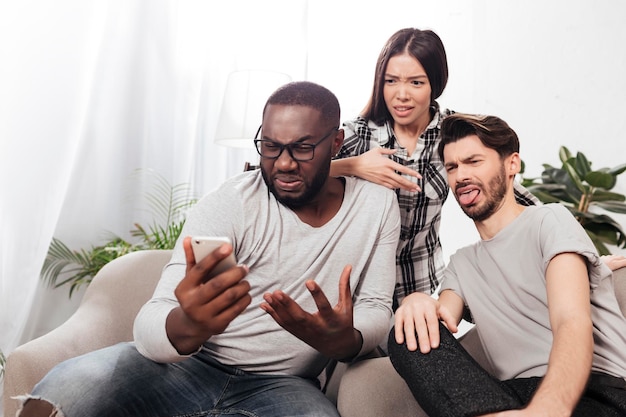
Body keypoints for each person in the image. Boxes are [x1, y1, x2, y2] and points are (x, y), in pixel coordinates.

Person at [18, 81, 401, 417]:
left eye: (302, 148)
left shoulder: (377, 206)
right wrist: (187, 325)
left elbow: (376, 307)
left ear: (336, 143)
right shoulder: (231, 202)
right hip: (184, 367)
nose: (283, 163)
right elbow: (151, 320)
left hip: (284, 386)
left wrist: (345, 340)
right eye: (270, 146)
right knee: (65, 387)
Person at [388, 113, 626, 416]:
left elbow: (571, 320)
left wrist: (549, 407)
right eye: (452, 167)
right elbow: (439, 320)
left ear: (511, 164)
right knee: (406, 332)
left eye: (473, 162)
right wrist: (415, 302)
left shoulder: (549, 221)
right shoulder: (462, 263)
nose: (460, 175)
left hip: (591, 392)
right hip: (508, 398)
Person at [330, 28, 538, 307]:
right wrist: (354, 165)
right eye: (391, 81)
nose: (401, 95)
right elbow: (289, 174)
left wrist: (577, 253)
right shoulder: (360, 134)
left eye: (416, 83)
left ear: (435, 84)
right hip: (358, 290)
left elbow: (508, 192)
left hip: (419, 288)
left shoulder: (453, 133)